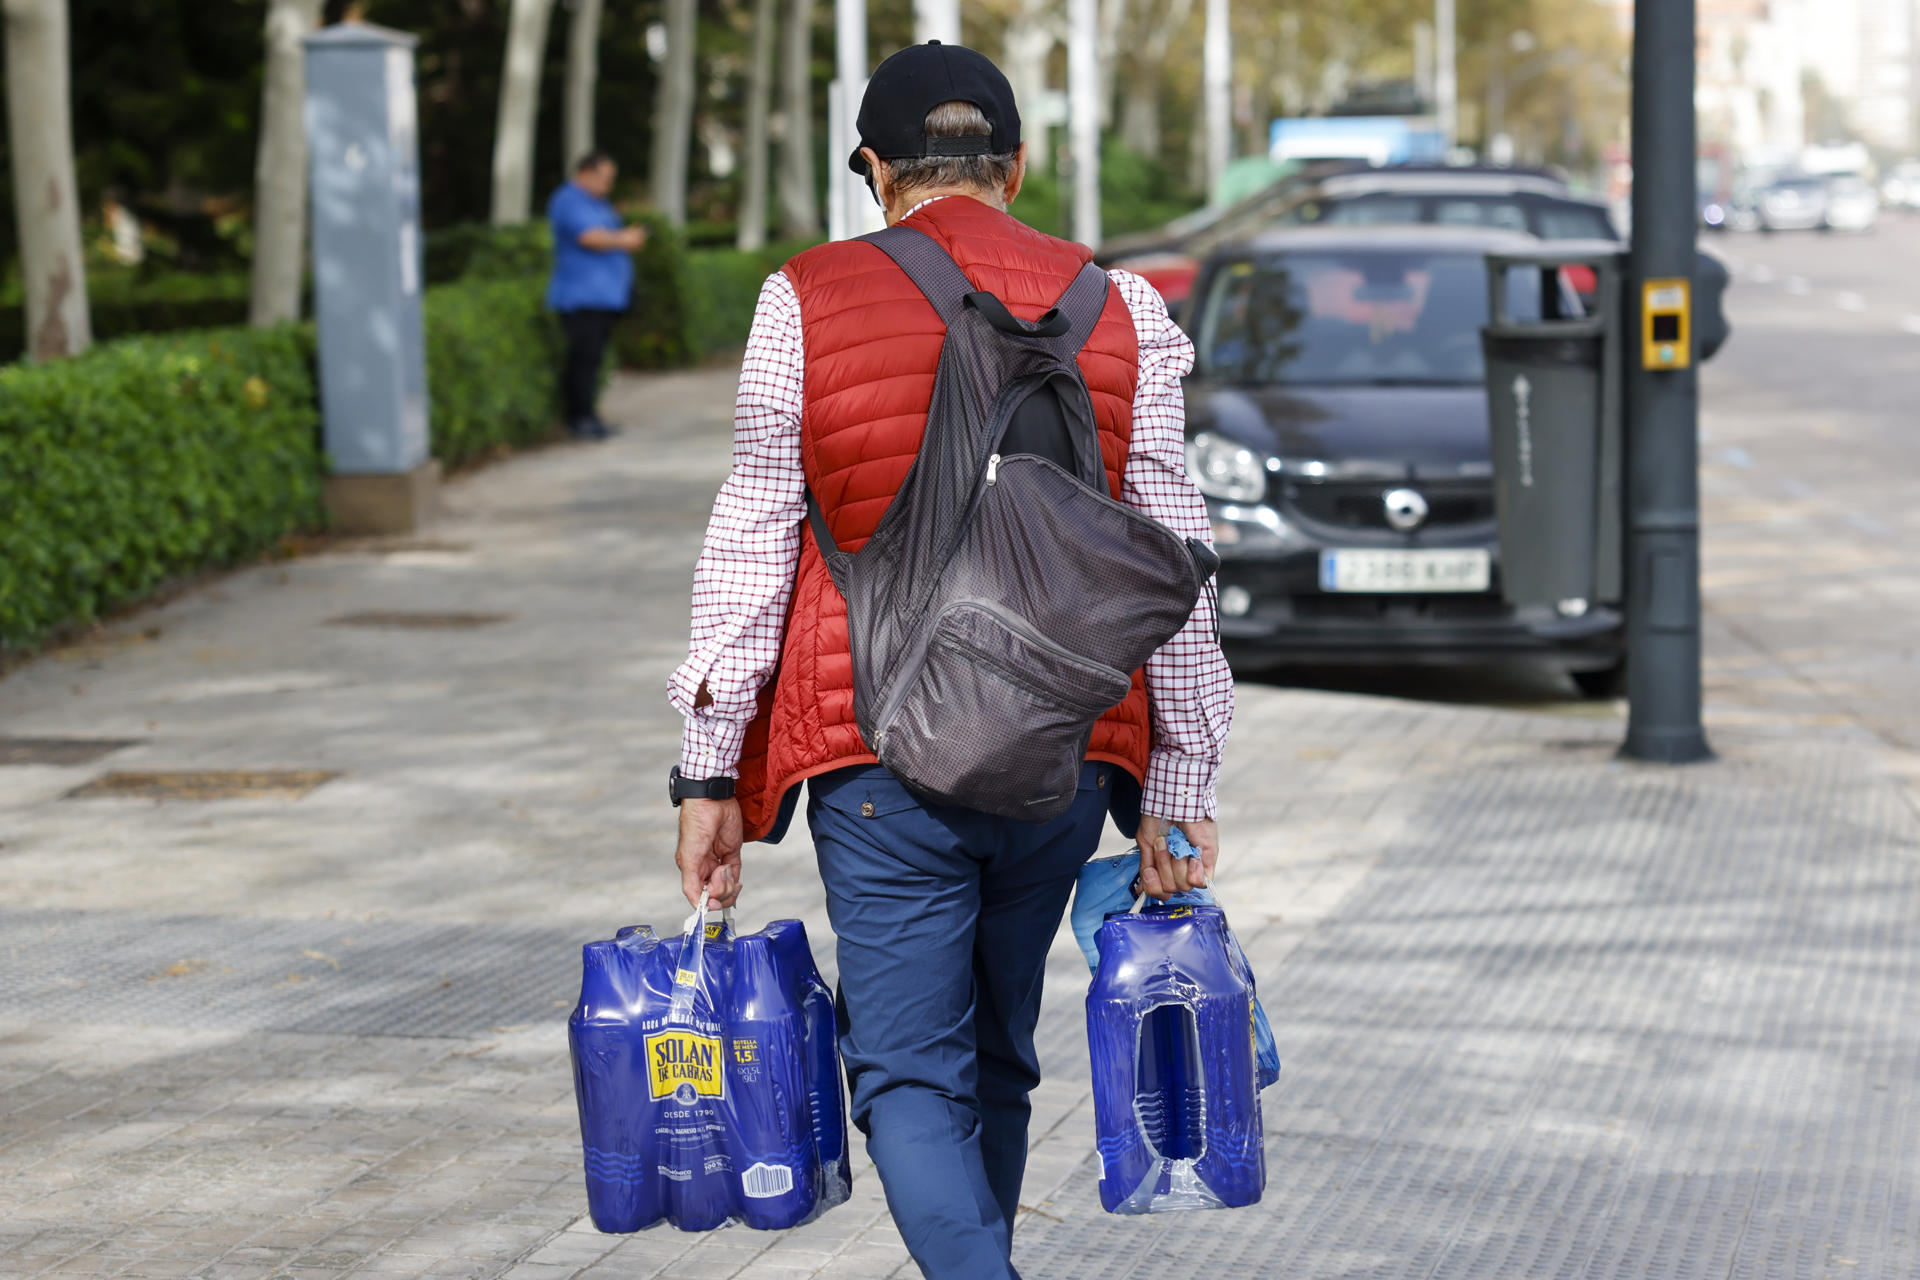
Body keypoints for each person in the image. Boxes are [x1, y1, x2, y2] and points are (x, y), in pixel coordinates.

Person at [666, 41, 1233, 1280]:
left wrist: (708, 772)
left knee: (911, 1072)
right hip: (1067, 747)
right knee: (997, 1058)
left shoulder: (802, 297)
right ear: (1017, 168)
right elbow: (1178, 557)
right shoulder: (1123, 306)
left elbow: (752, 543)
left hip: (879, 751)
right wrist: (1181, 787)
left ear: (875, 170)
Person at [546, 151, 645, 440]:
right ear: (586, 172)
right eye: (604, 178)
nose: (608, 185)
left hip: (603, 298)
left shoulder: (596, 202)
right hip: (582, 298)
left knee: (593, 360)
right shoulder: (569, 199)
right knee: (583, 360)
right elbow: (588, 237)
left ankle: (588, 415)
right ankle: (578, 419)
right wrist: (623, 239)